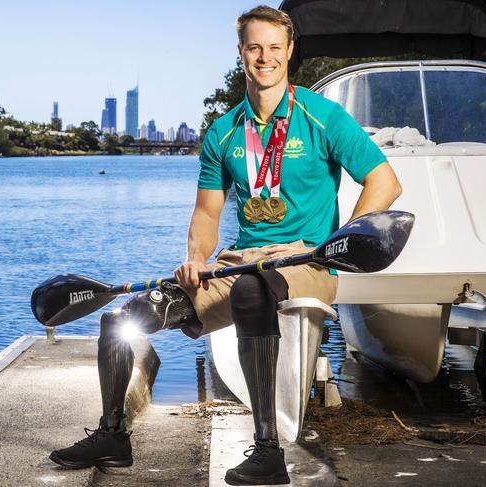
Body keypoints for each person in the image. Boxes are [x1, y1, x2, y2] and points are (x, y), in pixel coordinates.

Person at [49, 5, 402, 485]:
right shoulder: (223, 131)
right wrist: (195, 259)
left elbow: (385, 183)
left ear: (290, 52)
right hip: (237, 260)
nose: (265, 58)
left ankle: (268, 452)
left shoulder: (325, 119)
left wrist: (337, 245)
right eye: (255, 48)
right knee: (122, 317)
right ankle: (113, 436)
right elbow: (207, 213)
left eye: (275, 48)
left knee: (250, 291)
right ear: (241, 53)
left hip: (308, 258)